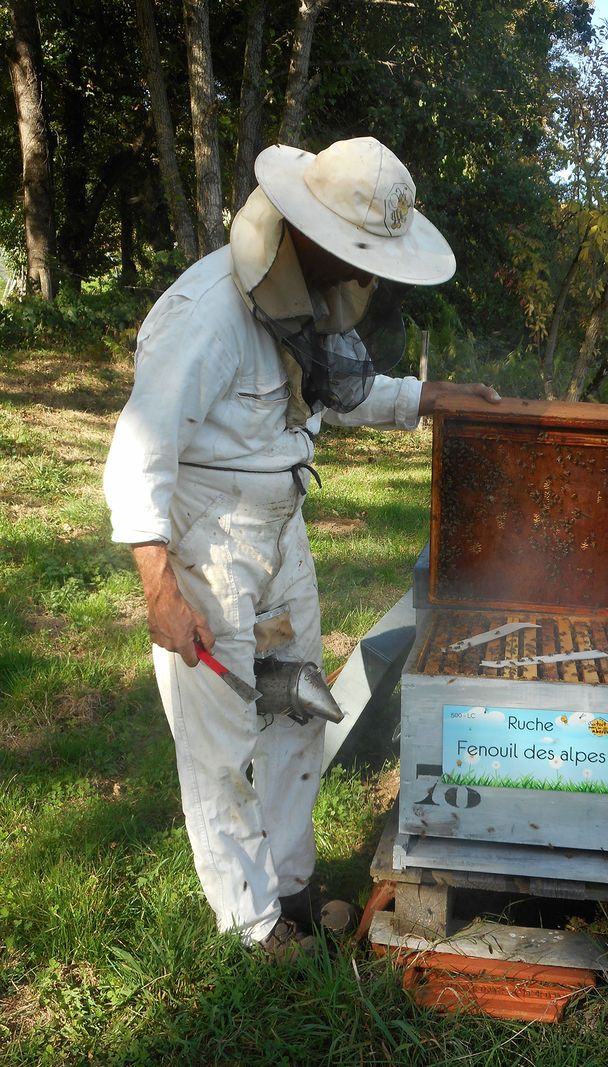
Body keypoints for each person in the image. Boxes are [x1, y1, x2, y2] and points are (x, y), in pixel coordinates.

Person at [104, 136, 500, 958]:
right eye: (362, 254)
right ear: (312, 231)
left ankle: (288, 881)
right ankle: (252, 927)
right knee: (219, 744)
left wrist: (430, 396)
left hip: (279, 529)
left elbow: (337, 391)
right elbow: (138, 454)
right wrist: (160, 591)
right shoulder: (207, 313)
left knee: (297, 707)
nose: (370, 274)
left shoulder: (308, 296)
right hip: (205, 539)